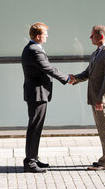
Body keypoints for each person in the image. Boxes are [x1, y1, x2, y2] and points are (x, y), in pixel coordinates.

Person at [21, 22, 73, 173]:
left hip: (37, 93)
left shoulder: (31, 48)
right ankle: (30, 162)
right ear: (38, 36)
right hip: (37, 94)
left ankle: (33, 158)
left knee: (36, 127)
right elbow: (49, 68)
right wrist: (67, 78)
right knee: (35, 127)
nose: (47, 36)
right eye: (45, 34)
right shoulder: (34, 50)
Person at [70, 25, 105, 171]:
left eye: (92, 35)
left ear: (101, 37)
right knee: (104, 129)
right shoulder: (96, 53)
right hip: (95, 98)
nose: (90, 37)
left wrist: (102, 99)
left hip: (101, 99)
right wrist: (74, 79)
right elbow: (88, 73)